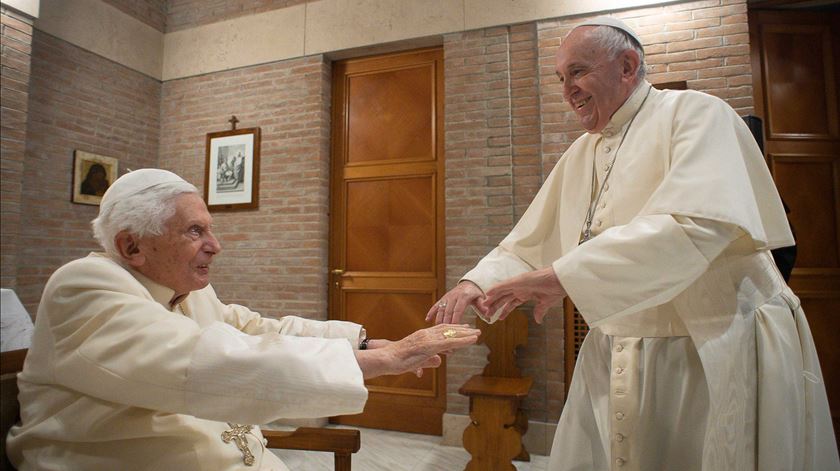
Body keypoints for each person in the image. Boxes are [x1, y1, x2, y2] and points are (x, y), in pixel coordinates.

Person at [428, 17, 838, 471]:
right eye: (561, 78)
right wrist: (476, 282)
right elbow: (531, 240)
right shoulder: (581, 152)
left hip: (712, 342)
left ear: (627, 66)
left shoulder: (697, 114)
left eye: (579, 72)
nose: (568, 91)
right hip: (622, 347)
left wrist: (562, 277)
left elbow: (696, 225)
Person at [7, 168, 479, 470]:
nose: (216, 245)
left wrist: (368, 342)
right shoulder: (84, 286)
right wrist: (384, 362)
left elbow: (254, 328)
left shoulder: (182, 288)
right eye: (195, 231)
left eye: (210, 229)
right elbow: (206, 360)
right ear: (132, 246)